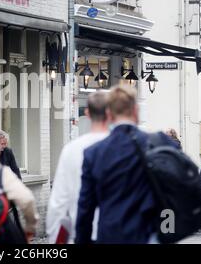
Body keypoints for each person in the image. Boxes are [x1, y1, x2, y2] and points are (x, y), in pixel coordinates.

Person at [75, 85, 180, 244]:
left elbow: (85, 208)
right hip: (149, 235)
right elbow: (173, 194)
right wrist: (169, 233)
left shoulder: (94, 153)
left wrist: (82, 240)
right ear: (136, 111)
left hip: (110, 236)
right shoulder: (160, 143)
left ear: (109, 114)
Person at [47, 91, 110, 244]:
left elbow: (59, 201)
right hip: (117, 232)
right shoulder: (123, 148)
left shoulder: (71, 149)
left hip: (81, 233)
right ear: (111, 112)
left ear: (87, 113)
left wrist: (54, 239)